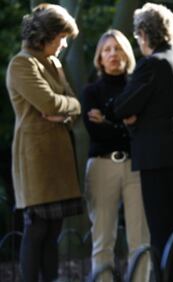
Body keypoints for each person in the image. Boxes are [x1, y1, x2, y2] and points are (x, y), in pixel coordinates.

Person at [112, 3, 173, 281]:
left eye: (138, 36)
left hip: (160, 158)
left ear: (144, 34)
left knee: (163, 235)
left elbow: (121, 107)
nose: (137, 41)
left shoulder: (153, 63)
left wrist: (129, 114)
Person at [6, 3, 83, 282]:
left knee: (53, 232)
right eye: (61, 38)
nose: (63, 45)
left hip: (60, 157)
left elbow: (74, 105)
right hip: (35, 160)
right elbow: (49, 102)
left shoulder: (54, 63)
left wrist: (63, 113)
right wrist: (64, 107)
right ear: (46, 35)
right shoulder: (22, 64)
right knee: (36, 228)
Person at [81, 29, 150, 281]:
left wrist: (107, 120)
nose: (113, 54)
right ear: (100, 58)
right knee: (102, 240)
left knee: (140, 240)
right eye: (107, 49)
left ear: (127, 54)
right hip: (101, 167)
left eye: (118, 48)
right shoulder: (91, 92)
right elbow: (96, 134)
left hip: (136, 167)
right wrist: (125, 123)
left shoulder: (137, 86)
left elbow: (142, 131)